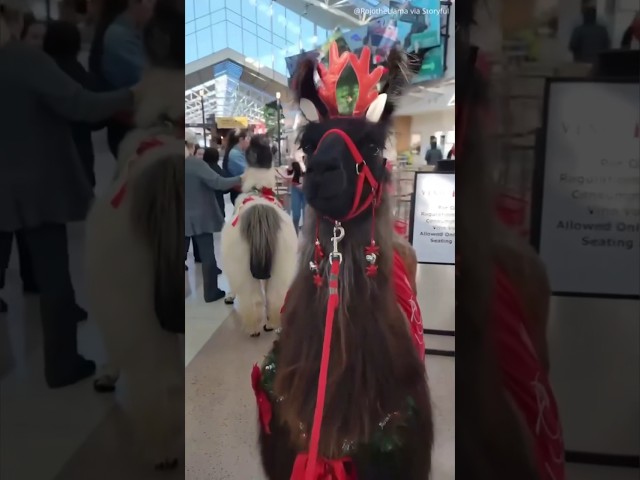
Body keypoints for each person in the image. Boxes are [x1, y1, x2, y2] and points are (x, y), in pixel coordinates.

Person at [0, 1, 137, 388]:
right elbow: (80, 105)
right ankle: (62, 365)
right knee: (54, 277)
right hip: (38, 184)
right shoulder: (23, 59)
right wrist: (134, 94)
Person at [44, 20, 104, 187]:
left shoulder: (40, 76)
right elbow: (97, 119)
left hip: (46, 158)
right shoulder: (84, 78)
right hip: (80, 156)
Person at [90, 0, 154, 157]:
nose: (153, 7)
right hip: (129, 125)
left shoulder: (128, 33)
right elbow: (144, 79)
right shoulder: (119, 36)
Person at [185, 131, 243, 303]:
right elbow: (218, 183)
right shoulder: (195, 164)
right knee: (207, 255)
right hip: (201, 216)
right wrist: (241, 177)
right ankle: (211, 292)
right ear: (192, 146)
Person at [222, 128, 250, 205]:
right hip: (239, 192)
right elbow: (247, 171)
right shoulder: (235, 154)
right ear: (241, 139)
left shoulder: (238, 152)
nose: (248, 141)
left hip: (240, 190)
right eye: (247, 139)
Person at [286, 160, 305, 234]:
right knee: (296, 214)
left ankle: (305, 233)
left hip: (306, 188)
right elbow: (289, 173)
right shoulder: (295, 161)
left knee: (306, 214)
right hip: (296, 188)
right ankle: (295, 233)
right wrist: (290, 165)